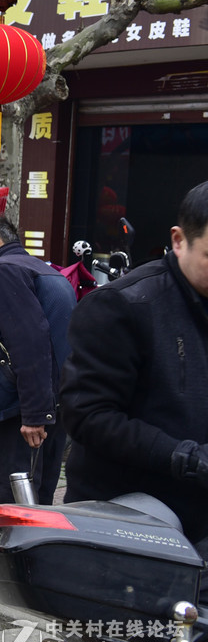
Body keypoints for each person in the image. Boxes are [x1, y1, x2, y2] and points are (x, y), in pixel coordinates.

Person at [61, 181, 208, 559]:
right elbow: (88, 416)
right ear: (179, 240)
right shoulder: (123, 305)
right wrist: (184, 457)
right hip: (128, 522)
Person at [0, 214, 75, 595]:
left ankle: (5, 574)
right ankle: (34, 570)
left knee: (13, 487)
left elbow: (29, 339)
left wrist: (33, 413)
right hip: (54, 396)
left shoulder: (3, 270)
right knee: (38, 489)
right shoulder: (39, 268)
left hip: (28, 402)